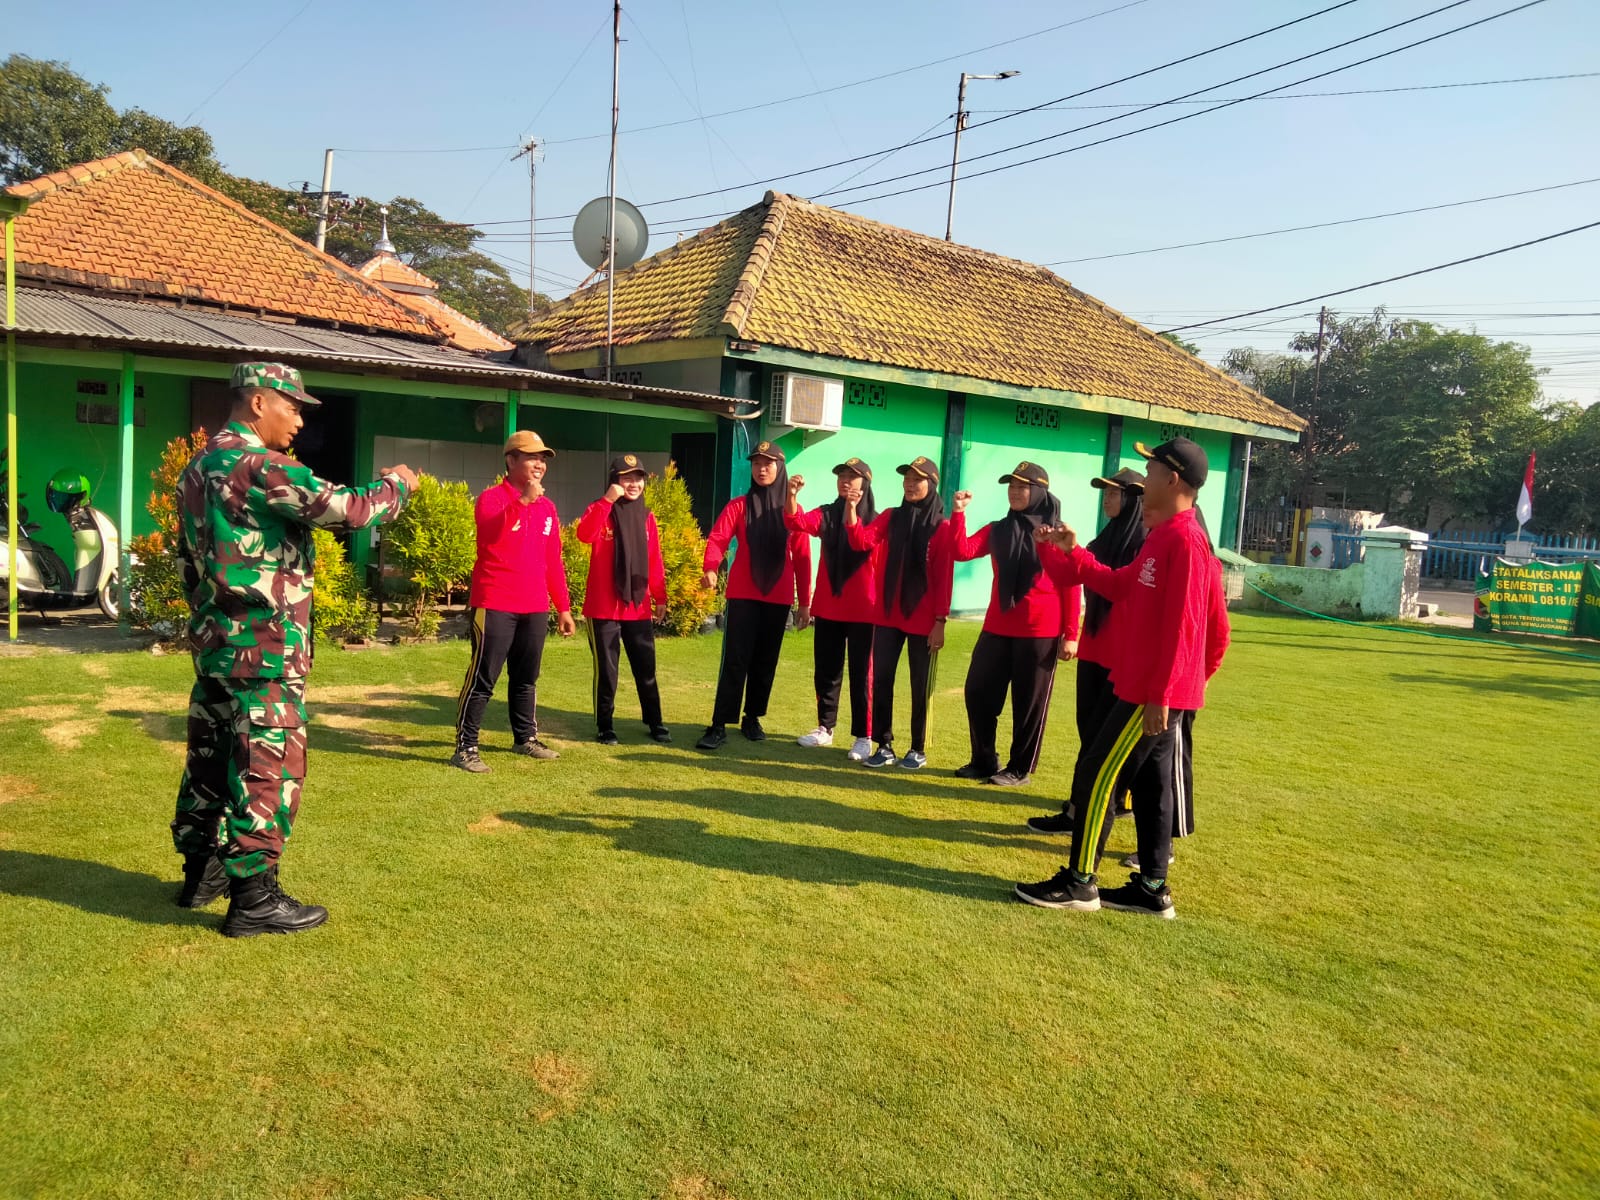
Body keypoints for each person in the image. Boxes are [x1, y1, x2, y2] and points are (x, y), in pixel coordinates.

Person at [169, 361, 415, 938]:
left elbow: (187, 561)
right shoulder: (258, 464)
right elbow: (348, 509)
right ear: (258, 403)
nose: (300, 420)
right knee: (267, 764)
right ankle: (255, 897)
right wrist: (399, 483)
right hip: (264, 646)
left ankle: (202, 873)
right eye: (293, 405)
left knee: (211, 757)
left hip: (217, 644)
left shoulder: (199, 466)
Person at [1014, 438, 1229, 920]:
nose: (1142, 476)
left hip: (1151, 692)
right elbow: (1119, 585)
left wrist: (1166, 694)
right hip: (1147, 686)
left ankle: (1079, 883)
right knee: (1153, 786)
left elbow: (1190, 627)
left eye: (1150, 468)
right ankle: (1152, 889)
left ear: (1172, 479)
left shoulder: (1187, 540)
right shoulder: (1164, 535)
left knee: (1098, 774)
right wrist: (1072, 553)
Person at [1026, 467, 1147, 835]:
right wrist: (1047, 548)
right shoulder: (1106, 539)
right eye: (1106, 493)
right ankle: (1078, 809)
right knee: (1088, 736)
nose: (1107, 499)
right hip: (1095, 652)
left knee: (1111, 746)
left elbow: (1113, 587)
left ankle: (1106, 809)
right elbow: (1068, 576)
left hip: (1122, 657)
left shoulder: (1144, 544)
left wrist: (1072, 552)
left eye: (1115, 493)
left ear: (1133, 499)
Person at [948, 462, 1081, 787]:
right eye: (1011, 486)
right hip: (997, 627)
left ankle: (1019, 768)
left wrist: (1071, 635)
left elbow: (1072, 583)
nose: (1015, 492)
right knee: (977, 692)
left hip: (1041, 631)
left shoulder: (1056, 533)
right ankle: (983, 760)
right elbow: (960, 551)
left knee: (1028, 705)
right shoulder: (998, 529)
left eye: (1022, 487)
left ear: (1038, 492)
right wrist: (958, 513)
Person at [451, 430, 576, 773]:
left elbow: (553, 561)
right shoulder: (492, 499)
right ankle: (465, 746)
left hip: (534, 604)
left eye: (543, 459)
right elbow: (492, 535)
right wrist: (522, 503)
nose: (540, 464)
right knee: (484, 677)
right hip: (495, 601)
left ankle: (525, 738)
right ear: (511, 460)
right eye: (532, 457)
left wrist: (562, 607)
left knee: (526, 677)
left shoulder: (548, 507)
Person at [695, 441, 812, 750]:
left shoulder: (793, 512)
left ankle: (752, 718)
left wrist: (805, 604)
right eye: (757, 463)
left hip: (779, 596)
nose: (762, 468)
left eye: (768, 463)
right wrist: (710, 567)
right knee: (735, 659)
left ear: (780, 468)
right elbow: (718, 538)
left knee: (765, 661)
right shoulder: (739, 505)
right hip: (744, 594)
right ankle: (719, 723)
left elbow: (802, 557)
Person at [844, 455, 955, 770]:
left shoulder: (941, 526)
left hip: (924, 619)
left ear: (931, 484)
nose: (909, 484)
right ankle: (884, 745)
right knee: (882, 680)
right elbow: (861, 541)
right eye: (906, 478)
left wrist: (940, 622)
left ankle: (917, 748)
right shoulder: (892, 517)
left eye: (916, 479)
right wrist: (852, 509)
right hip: (889, 615)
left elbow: (944, 578)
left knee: (920, 685)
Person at [785, 457, 878, 761]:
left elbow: (862, 543)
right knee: (827, 671)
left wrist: (852, 512)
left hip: (865, 610)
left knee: (862, 674)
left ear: (865, 484)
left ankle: (864, 736)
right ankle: (825, 727)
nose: (845, 481)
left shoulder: (876, 521)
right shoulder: (826, 514)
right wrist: (792, 496)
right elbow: (795, 521)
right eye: (841, 476)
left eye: (852, 477)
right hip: (828, 607)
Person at [576, 454, 670, 745]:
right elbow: (584, 534)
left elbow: (654, 559)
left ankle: (655, 722)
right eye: (626, 478)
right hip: (603, 608)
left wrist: (660, 596)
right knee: (607, 671)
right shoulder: (599, 509)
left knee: (646, 668)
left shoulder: (647, 517)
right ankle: (605, 725)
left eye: (638, 478)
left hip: (637, 607)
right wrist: (606, 501)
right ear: (614, 480)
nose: (634, 484)